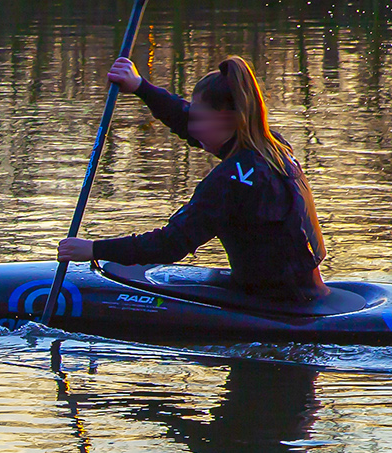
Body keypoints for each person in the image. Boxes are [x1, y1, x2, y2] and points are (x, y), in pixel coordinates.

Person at [55, 55, 328, 301]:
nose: (191, 128)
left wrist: (94, 249)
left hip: (279, 301)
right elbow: (182, 116)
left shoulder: (230, 181)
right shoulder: (275, 148)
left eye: (198, 119)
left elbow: (171, 244)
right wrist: (140, 87)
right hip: (306, 288)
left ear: (227, 119)